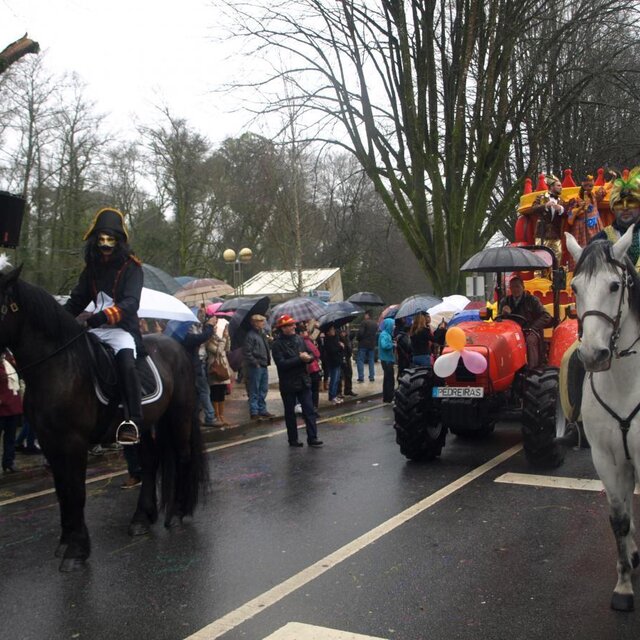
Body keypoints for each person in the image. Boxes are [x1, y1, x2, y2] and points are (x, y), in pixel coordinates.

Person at [63, 207, 144, 445]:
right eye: (101, 240)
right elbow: (77, 300)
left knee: (126, 364)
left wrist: (103, 316)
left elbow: (131, 302)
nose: (105, 244)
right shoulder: (91, 269)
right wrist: (58, 319)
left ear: (119, 241)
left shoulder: (132, 267)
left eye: (110, 240)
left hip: (121, 330)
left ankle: (133, 421)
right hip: (95, 329)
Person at [271, 314, 323, 448]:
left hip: (303, 380)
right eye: (290, 325)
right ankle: (293, 439)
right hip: (288, 382)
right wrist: (299, 359)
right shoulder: (277, 344)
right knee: (290, 413)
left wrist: (309, 358)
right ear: (283, 328)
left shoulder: (299, 339)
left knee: (309, 410)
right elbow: (281, 364)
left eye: (293, 324)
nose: (294, 327)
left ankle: (313, 437)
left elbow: (310, 354)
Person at [499, 275, 553, 368]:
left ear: (523, 287)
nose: (515, 289)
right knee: (501, 341)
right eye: (512, 287)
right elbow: (498, 320)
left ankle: (533, 368)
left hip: (529, 330)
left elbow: (546, 316)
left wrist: (532, 327)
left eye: (517, 286)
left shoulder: (532, 300)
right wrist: (503, 314)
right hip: (511, 332)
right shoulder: (505, 301)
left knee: (530, 340)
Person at [591, 167, 640, 266]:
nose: (625, 208)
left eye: (630, 202)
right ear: (613, 208)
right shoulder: (600, 239)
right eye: (619, 204)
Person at [564, 174, 605, 270]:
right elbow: (570, 217)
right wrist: (580, 209)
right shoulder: (576, 199)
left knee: (598, 248)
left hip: (596, 226)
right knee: (582, 250)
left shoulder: (594, 196)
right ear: (582, 185)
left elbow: (605, 189)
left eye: (591, 186)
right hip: (582, 228)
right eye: (586, 185)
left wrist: (613, 179)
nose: (589, 188)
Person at [182, 315, 217, 426]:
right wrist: (209, 326)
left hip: (198, 364)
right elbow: (200, 338)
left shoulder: (193, 330)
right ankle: (210, 417)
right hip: (194, 366)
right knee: (204, 391)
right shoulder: (186, 334)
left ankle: (195, 417)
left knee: (198, 392)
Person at [243, 314, 275, 421]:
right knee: (255, 389)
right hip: (256, 365)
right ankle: (254, 411)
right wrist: (255, 362)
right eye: (261, 321)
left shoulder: (262, 334)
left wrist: (270, 340)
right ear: (255, 323)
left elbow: (266, 347)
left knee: (263, 388)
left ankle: (262, 409)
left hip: (263, 364)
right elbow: (247, 352)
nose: (263, 323)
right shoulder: (250, 336)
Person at [530, 174, 566, 262]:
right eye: (558, 186)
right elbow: (533, 209)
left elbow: (567, 214)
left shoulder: (561, 201)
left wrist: (561, 209)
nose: (561, 188)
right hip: (542, 234)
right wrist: (545, 205)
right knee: (540, 258)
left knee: (558, 256)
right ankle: (541, 272)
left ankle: (555, 271)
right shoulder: (541, 197)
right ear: (551, 187)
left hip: (556, 235)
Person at [206, 316, 234, 427]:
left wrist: (227, 337)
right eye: (213, 326)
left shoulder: (219, 338)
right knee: (215, 393)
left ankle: (222, 416)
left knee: (222, 393)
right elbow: (218, 351)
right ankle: (216, 415)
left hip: (223, 368)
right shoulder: (208, 340)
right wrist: (224, 338)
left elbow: (227, 348)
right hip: (215, 369)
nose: (215, 327)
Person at [0, 351, 21, 473]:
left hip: (12, 407)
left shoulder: (9, 364)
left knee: (10, 438)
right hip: (2, 407)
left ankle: (9, 462)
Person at [298, 321, 322, 413]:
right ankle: (313, 408)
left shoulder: (306, 340)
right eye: (305, 331)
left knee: (311, 390)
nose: (307, 332)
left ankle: (311, 408)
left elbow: (314, 337)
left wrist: (316, 329)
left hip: (310, 368)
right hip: (312, 368)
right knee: (313, 390)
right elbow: (317, 353)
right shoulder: (305, 341)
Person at [322, 324, 343, 404]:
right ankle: (332, 396)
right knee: (333, 380)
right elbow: (332, 350)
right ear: (328, 332)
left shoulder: (335, 338)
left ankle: (335, 395)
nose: (333, 331)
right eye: (331, 330)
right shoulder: (327, 340)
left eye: (333, 329)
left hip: (338, 360)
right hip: (333, 361)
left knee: (337, 379)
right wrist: (340, 346)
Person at [356, 311, 378, 382]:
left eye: (365, 315)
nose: (364, 316)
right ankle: (371, 377)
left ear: (367, 315)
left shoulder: (364, 322)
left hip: (363, 344)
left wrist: (358, 338)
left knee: (360, 360)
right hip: (371, 345)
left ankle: (361, 377)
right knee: (371, 360)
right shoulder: (375, 323)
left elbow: (360, 333)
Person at [378, 318, 396, 403]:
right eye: (393, 325)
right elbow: (384, 345)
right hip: (387, 360)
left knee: (387, 379)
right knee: (390, 380)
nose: (394, 326)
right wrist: (392, 345)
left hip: (386, 359)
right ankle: (389, 397)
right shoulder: (385, 334)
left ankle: (386, 397)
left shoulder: (386, 334)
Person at [338, 325, 357, 398]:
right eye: (342, 332)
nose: (344, 333)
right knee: (340, 375)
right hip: (341, 357)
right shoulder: (338, 338)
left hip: (347, 356)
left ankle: (348, 390)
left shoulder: (346, 337)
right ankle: (339, 392)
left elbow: (349, 342)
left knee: (349, 374)